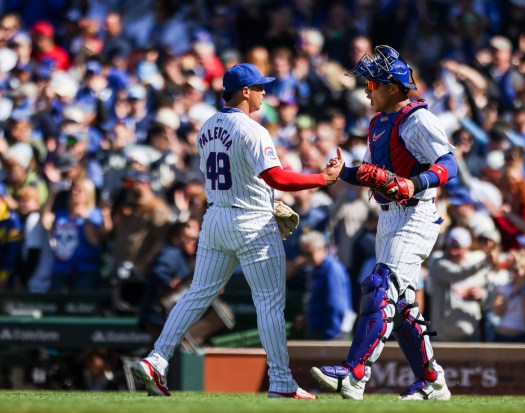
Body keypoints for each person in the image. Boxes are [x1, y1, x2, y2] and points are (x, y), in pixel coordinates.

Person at [133, 63, 344, 399]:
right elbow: (276, 177)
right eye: (260, 87)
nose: (264, 92)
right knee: (270, 303)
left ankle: (156, 359)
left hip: (216, 216)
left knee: (197, 294)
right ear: (244, 91)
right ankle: (281, 382)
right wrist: (322, 179)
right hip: (251, 222)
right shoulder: (253, 130)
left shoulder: (206, 126)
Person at [311, 45, 456, 401]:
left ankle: (355, 373)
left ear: (393, 87)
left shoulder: (417, 119)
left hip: (415, 212)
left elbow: (448, 164)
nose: (366, 90)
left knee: (380, 285)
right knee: (403, 305)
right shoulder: (378, 122)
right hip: (388, 217)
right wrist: (343, 172)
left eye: (373, 84)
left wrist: (415, 182)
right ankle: (432, 380)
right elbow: (373, 174)